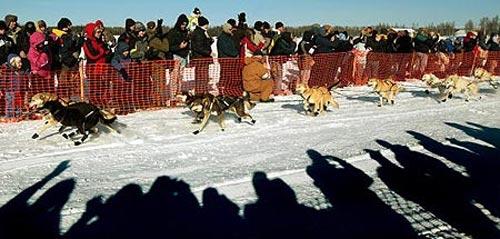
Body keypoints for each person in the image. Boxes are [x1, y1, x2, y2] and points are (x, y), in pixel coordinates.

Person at [52, 18, 83, 100]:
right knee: (63, 83)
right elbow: (65, 49)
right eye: (69, 25)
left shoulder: (69, 36)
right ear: (64, 27)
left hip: (70, 62)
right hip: (63, 63)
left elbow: (74, 48)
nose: (70, 27)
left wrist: (80, 41)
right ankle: (63, 100)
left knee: (70, 83)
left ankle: (69, 99)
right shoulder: (59, 36)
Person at [190, 16, 214, 94]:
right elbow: (199, 47)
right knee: (202, 77)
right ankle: (201, 92)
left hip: (202, 58)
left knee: (202, 76)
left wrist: (209, 39)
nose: (208, 26)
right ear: (204, 24)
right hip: (201, 59)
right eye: (207, 24)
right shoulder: (199, 33)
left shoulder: (201, 32)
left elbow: (204, 44)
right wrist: (208, 52)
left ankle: (202, 91)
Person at [3, 54, 27, 120]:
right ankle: (10, 116)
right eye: (19, 62)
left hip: (20, 91)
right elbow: (4, 81)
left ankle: (18, 115)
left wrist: (25, 88)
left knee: (19, 104)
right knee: (10, 104)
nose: (21, 64)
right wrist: (2, 88)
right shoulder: (7, 71)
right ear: (13, 63)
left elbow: (25, 81)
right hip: (10, 91)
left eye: (21, 62)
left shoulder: (22, 71)